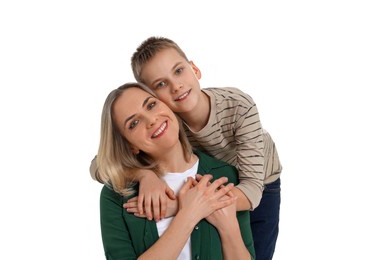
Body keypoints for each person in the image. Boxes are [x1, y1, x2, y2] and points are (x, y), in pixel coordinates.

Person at [91, 36, 282, 260]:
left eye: (179, 71)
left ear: (195, 69)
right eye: (161, 84)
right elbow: (103, 163)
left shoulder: (238, 106)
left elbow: (251, 190)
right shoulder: (170, 120)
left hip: (259, 181)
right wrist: (144, 176)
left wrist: (183, 208)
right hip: (210, 175)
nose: (176, 86)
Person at [97, 82, 255, 259]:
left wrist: (229, 229)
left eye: (151, 105)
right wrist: (189, 213)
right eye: (134, 123)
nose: (151, 120)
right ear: (130, 146)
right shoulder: (116, 196)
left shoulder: (224, 174)